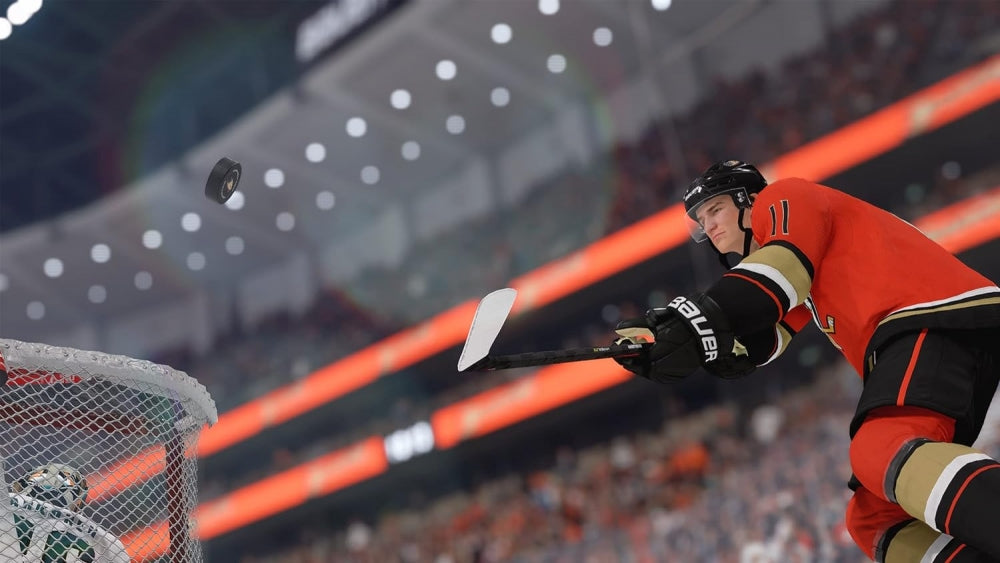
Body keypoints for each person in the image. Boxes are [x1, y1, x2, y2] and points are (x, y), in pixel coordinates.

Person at [613, 160, 1000, 562]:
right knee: (874, 519)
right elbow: (759, 338)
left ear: (749, 200)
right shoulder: (800, 260)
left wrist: (694, 321)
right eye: (700, 220)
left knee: (881, 447)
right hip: (924, 330)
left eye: (715, 209)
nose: (707, 225)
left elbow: (778, 275)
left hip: (929, 315)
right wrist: (677, 343)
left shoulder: (783, 197)